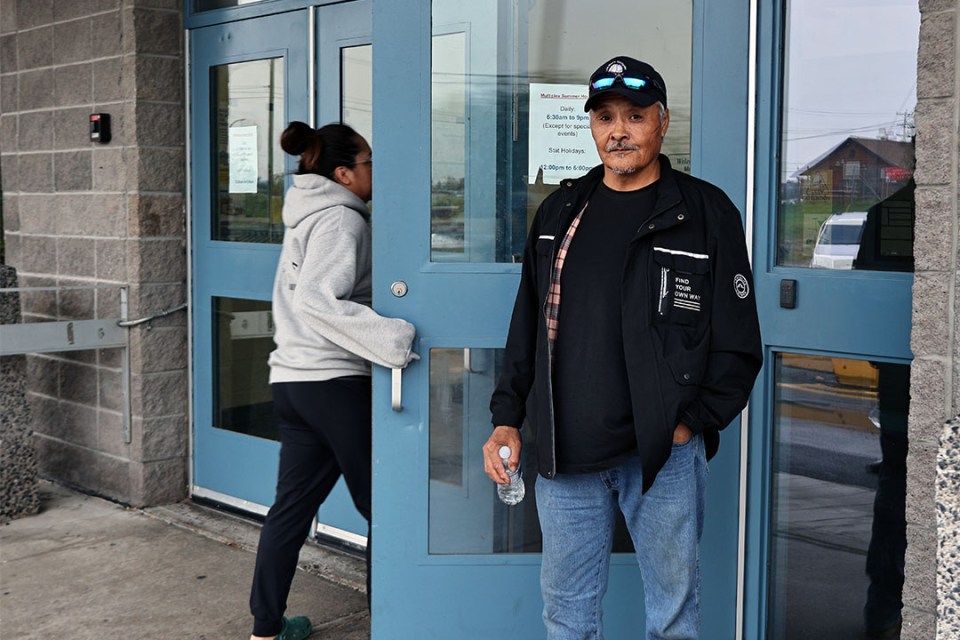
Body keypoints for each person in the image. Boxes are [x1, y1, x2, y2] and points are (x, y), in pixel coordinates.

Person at [483, 56, 763, 639]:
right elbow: (525, 326)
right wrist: (506, 417)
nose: (619, 131)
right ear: (591, 126)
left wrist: (689, 423)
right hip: (566, 460)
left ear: (662, 122)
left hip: (662, 459)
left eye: (635, 116)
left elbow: (737, 341)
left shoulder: (705, 213)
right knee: (567, 618)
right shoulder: (559, 212)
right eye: (605, 117)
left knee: (673, 619)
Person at [248, 121, 417, 640]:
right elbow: (315, 301)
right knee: (384, 508)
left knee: (290, 511)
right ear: (344, 174)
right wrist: (395, 338)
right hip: (333, 384)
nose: (375, 171)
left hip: (293, 382)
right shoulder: (342, 219)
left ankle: (265, 629)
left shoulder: (306, 215)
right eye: (369, 162)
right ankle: (392, 625)